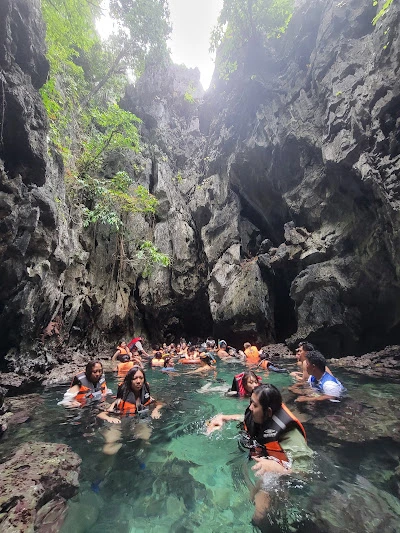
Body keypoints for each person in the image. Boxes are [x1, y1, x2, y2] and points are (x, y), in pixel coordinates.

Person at [207, 384, 312, 526]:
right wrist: (223, 418)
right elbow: (244, 418)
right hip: (264, 464)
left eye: (254, 405)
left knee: (259, 515)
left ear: (268, 412)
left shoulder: (290, 434)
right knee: (251, 497)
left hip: (282, 476)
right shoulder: (259, 416)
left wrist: (277, 467)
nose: (250, 408)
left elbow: (305, 472)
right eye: (251, 402)